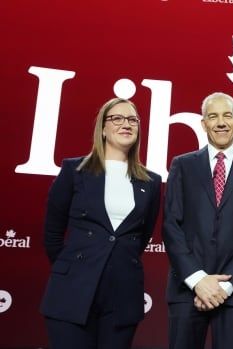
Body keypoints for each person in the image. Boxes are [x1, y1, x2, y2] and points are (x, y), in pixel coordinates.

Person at [40, 98, 162, 349]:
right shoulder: (74, 170)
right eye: (116, 118)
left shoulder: (151, 182)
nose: (125, 124)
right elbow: (52, 232)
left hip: (123, 294)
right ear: (103, 129)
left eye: (132, 119)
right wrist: (73, 269)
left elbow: (140, 237)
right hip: (72, 291)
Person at [163, 92, 233, 349]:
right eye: (213, 116)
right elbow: (171, 225)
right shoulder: (182, 165)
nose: (221, 122)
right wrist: (197, 279)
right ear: (203, 124)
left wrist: (224, 287)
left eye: (227, 116)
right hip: (186, 289)